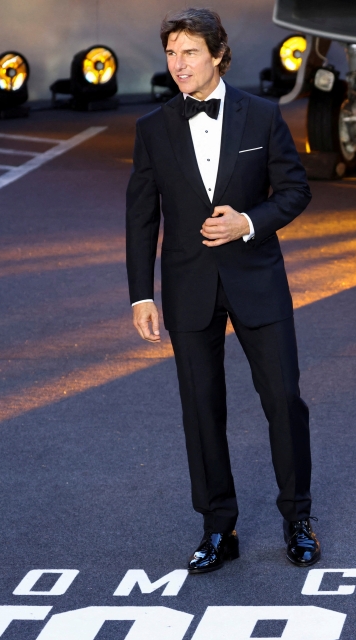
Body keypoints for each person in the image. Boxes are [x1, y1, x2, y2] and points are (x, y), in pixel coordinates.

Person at [125, 7, 318, 573]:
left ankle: (298, 519)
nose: (179, 64)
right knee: (201, 410)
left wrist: (248, 222)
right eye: (171, 54)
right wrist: (142, 295)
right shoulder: (152, 128)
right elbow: (141, 218)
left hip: (257, 278)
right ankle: (218, 527)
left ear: (217, 54)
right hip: (188, 287)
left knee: (283, 400)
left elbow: (295, 190)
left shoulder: (261, 115)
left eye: (189, 52)